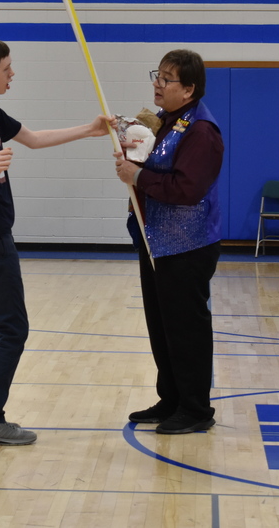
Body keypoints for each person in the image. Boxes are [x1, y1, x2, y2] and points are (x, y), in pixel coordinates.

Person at [0, 37, 110, 446]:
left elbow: (34, 139)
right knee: (14, 329)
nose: (12, 73)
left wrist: (89, 130)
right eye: (6, 68)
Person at [112, 49, 224, 435]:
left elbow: (188, 188)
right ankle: (171, 398)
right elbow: (145, 155)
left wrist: (138, 177)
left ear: (189, 89)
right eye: (156, 75)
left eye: (167, 78)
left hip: (186, 245)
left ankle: (195, 408)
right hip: (155, 239)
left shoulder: (201, 132)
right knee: (162, 326)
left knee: (186, 328)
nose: (157, 84)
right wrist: (127, 144)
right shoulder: (163, 120)